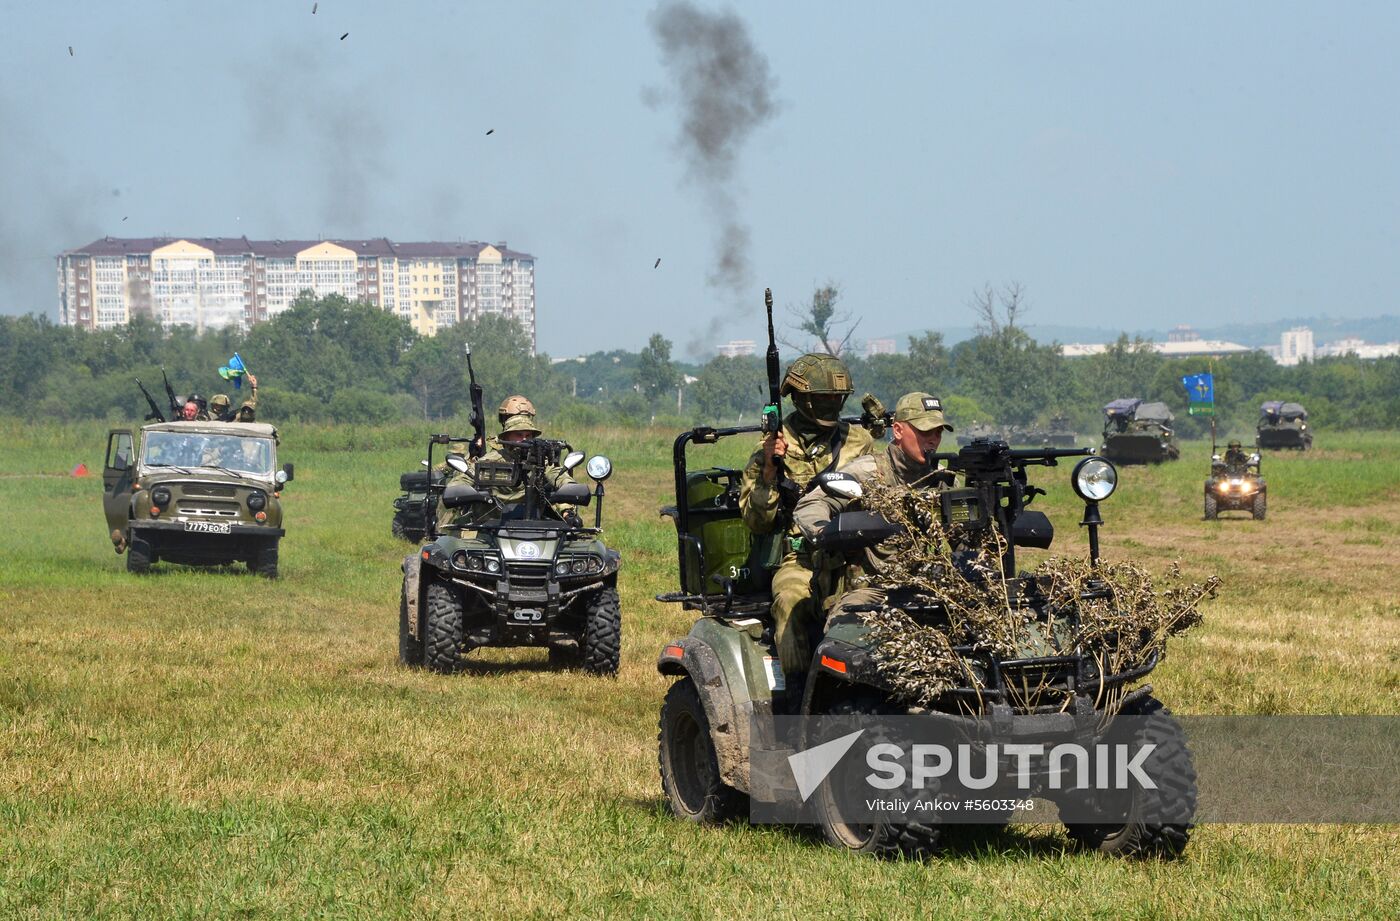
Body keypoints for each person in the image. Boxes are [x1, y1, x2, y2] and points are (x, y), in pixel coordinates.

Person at [737, 353, 875, 691]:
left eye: (837, 399)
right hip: (799, 557)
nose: (831, 406)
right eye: (823, 399)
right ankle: (798, 696)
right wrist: (770, 468)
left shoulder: (860, 442)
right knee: (789, 604)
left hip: (853, 554)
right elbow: (758, 521)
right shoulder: (774, 446)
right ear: (801, 398)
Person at [793, 392, 956, 619]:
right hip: (871, 589)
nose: (933, 440)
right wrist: (823, 531)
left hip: (924, 586)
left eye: (938, 432)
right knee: (847, 622)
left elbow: (967, 537)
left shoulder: (942, 481)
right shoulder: (867, 472)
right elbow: (813, 502)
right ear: (898, 430)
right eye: (925, 431)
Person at [436, 410, 575, 530]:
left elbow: (559, 476)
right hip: (488, 530)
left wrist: (570, 490)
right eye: (519, 435)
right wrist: (462, 491)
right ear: (506, 437)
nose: (524, 440)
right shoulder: (489, 461)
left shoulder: (541, 462)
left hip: (532, 529)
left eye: (528, 435)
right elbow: (462, 481)